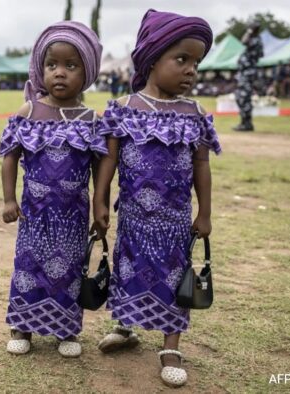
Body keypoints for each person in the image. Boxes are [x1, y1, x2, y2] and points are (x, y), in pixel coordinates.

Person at [92, 9, 221, 387]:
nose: (191, 70)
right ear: (151, 59)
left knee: (174, 276)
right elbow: (109, 159)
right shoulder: (122, 109)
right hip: (132, 215)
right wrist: (100, 201)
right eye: (181, 59)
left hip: (175, 219)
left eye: (196, 62)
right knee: (129, 268)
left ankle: (170, 346)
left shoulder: (194, 114)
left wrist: (205, 213)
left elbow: (201, 165)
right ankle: (125, 326)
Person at [0, 21, 106, 358]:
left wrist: (100, 202)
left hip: (73, 216)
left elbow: (103, 165)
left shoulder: (91, 119)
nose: (60, 73)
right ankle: (22, 327)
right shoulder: (28, 112)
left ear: (86, 72)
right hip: (35, 214)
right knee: (29, 266)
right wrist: (8, 199)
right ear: (40, 69)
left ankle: (66, 329)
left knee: (71, 269)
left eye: (70, 66)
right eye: (52, 65)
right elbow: (9, 156)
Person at [233, 22, 263, 131]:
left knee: (243, 98)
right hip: (245, 72)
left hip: (247, 73)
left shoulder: (255, 40)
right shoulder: (257, 39)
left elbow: (243, 41)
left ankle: (246, 124)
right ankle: (245, 123)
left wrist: (249, 31)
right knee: (241, 98)